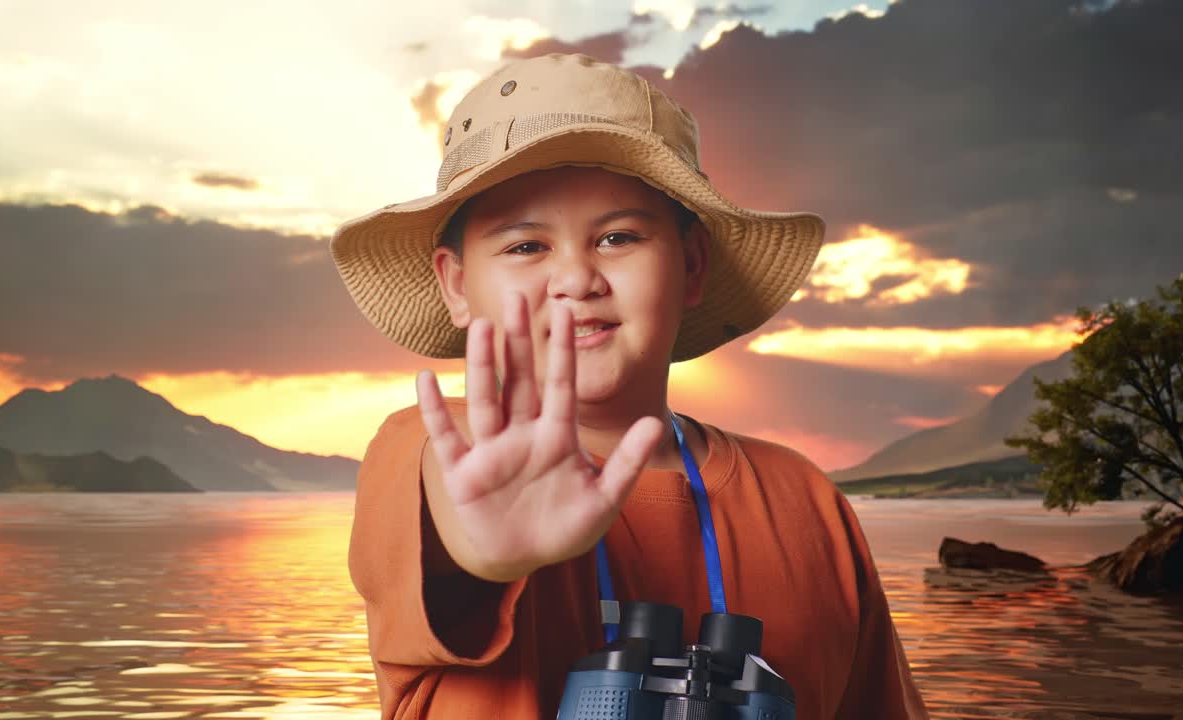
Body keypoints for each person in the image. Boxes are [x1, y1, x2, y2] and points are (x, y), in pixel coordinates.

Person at [332, 53, 929, 719]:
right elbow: (450, 508)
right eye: (525, 247)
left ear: (692, 264)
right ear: (454, 283)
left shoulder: (806, 500)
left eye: (618, 237)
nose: (576, 279)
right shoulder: (431, 450)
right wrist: (482, 556)